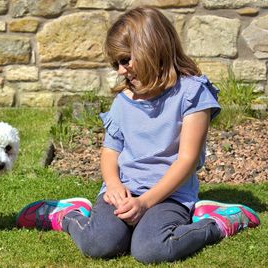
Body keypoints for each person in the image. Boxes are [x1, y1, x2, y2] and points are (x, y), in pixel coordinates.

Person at [15, 7, 260, 264]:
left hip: (169, 196)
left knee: (151, 250)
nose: (121, 70)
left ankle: (217, 222)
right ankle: (68, 215)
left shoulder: (192, 94)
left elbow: (187, 161)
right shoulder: (124, 101)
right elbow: (110, 151)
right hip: (123, 192)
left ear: (152, 49)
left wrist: (144, 203)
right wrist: (114, 186)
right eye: (116, 64)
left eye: (125, 60)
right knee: (99, 243)